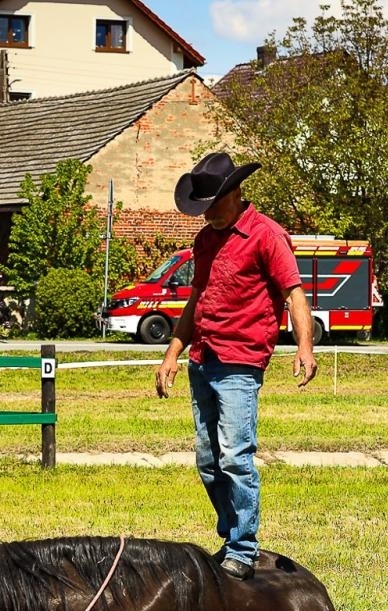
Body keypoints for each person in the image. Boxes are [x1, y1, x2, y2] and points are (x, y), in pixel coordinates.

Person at [155, 152, 317, 580]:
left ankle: (243, 549)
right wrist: (173, 351)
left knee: (235, 457)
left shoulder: (266, 236)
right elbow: (197, 299)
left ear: (236, 193)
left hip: (240, 361)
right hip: (202, 358)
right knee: (208, 461)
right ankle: (230, 535)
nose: (206, 213)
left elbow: (294, 293)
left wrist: (305, 346)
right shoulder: (205, 240)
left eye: (212, 203)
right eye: (201, 206)